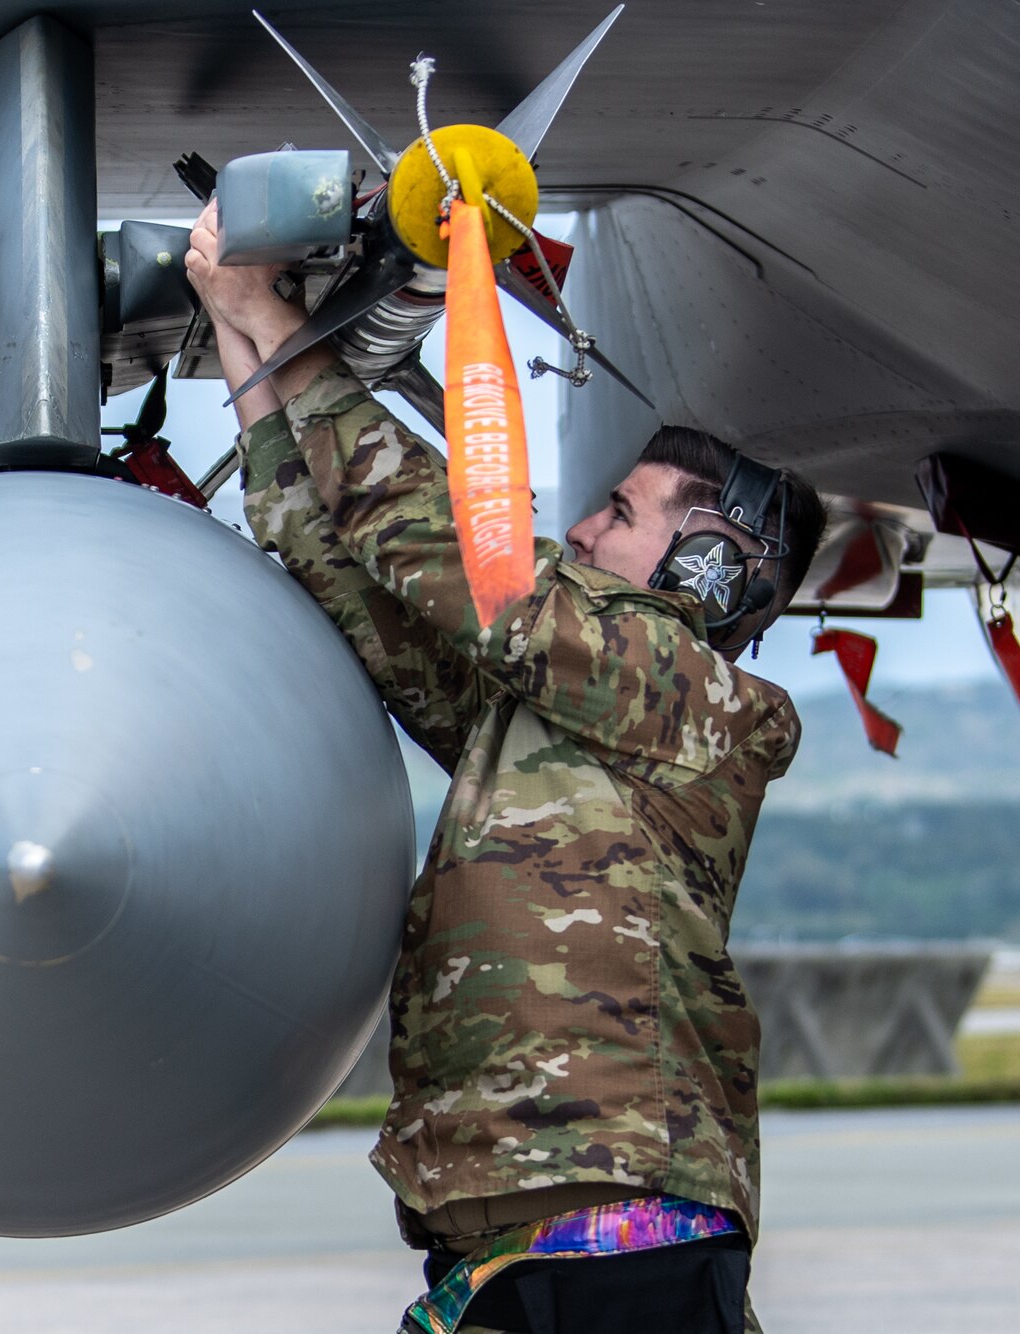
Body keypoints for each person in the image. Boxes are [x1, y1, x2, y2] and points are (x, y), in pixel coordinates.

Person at [183, 199, 826, 1334]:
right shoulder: (546, 706)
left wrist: (278, 322)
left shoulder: (693, 697)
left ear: (714, 568)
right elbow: (351, 565)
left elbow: (454, 547)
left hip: (620, 1244)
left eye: (616, 514)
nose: (578, 530)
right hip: (504, 1251)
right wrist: (239, 335)